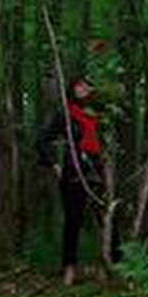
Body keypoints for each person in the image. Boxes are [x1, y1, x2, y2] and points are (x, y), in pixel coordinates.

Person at [35, 77, 103, 285]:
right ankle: (69, 268)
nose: (83, 88)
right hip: (73, 170)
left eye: (87, 84)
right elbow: (42, 139)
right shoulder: (65, 114)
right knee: (73, 220)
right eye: (79, 85)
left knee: (106, 218)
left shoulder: (100, 113)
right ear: (72, 89)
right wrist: (54, 163)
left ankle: (109, 266)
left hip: (97, 170)